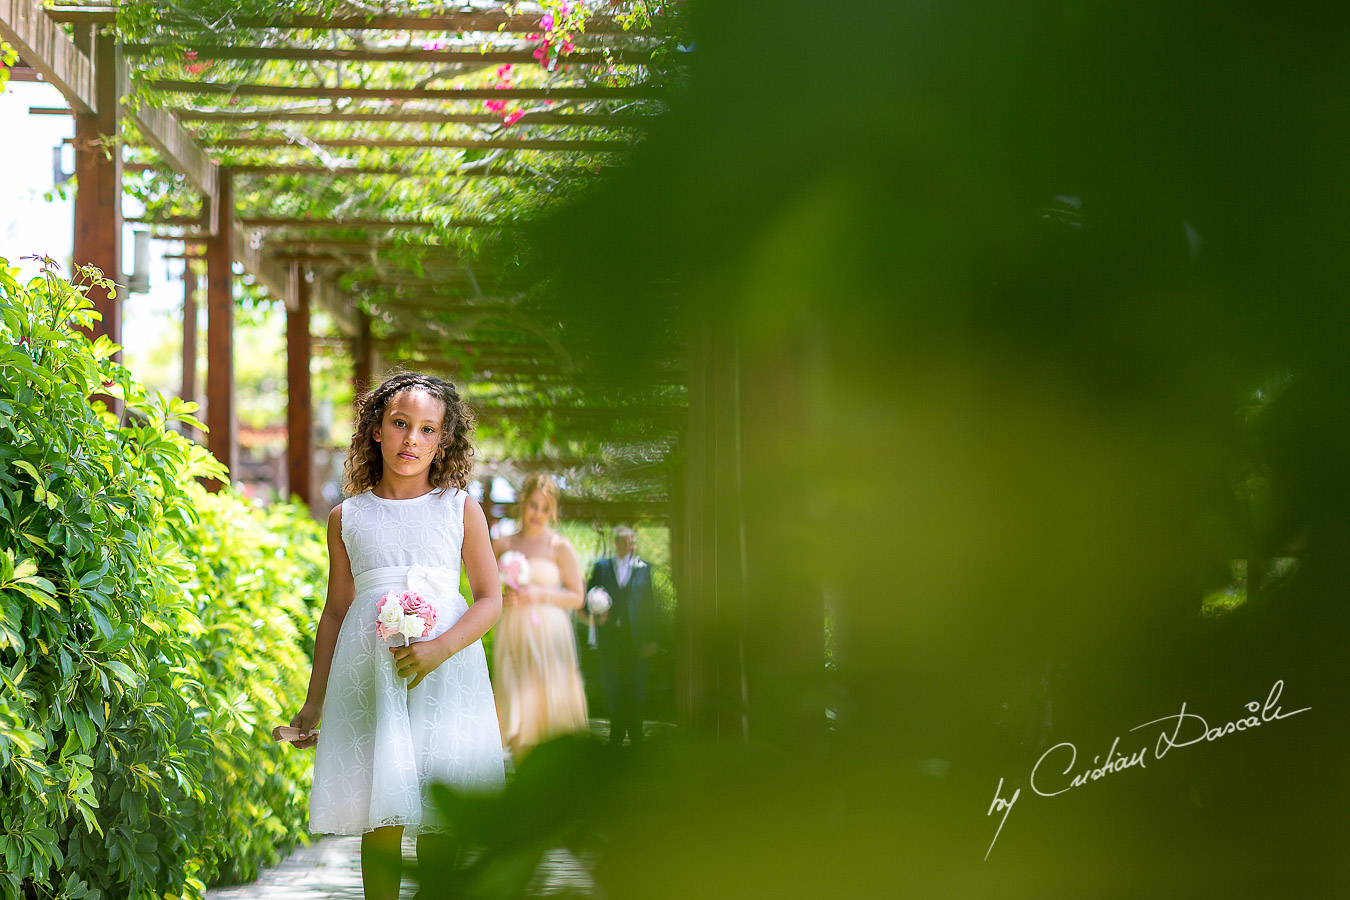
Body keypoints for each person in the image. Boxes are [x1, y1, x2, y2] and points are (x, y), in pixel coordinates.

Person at [283, 371, 505, 900]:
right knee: (381, 814)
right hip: (372, 675)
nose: (412, 440)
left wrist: (438, 649)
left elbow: (491, 599)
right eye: (401, 424)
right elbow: (336, 611)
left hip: (446, 672)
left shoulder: (460, 509)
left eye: (428, 430)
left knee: (437, 814)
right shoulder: (347, 517)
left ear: (444, 440)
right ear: (376, 430)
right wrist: (314, 705)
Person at [491, 473, 589, 758]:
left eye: (546, 509)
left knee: (549, 703)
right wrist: (505, 599)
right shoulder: (503, 544)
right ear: (523, 503)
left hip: (550, 631)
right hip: (513, 629)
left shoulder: (559, 547)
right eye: (534, 505)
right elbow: (485, 591)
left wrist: (540, 594)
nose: (539, 513)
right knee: (515, 695)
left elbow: (577, 597)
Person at [586, 525, 656, 747]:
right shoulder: (601, 567)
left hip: (636, 640)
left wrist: (651, 639)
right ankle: (615, 733)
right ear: (617, 543)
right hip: (610, 638)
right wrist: (597, 616)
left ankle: (636, 733)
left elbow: (650, 606)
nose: (630, 546)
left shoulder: (644, 569)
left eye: (633, 542)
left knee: (635, 686)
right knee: (612, 685)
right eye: (626, 541)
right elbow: (589, 596)